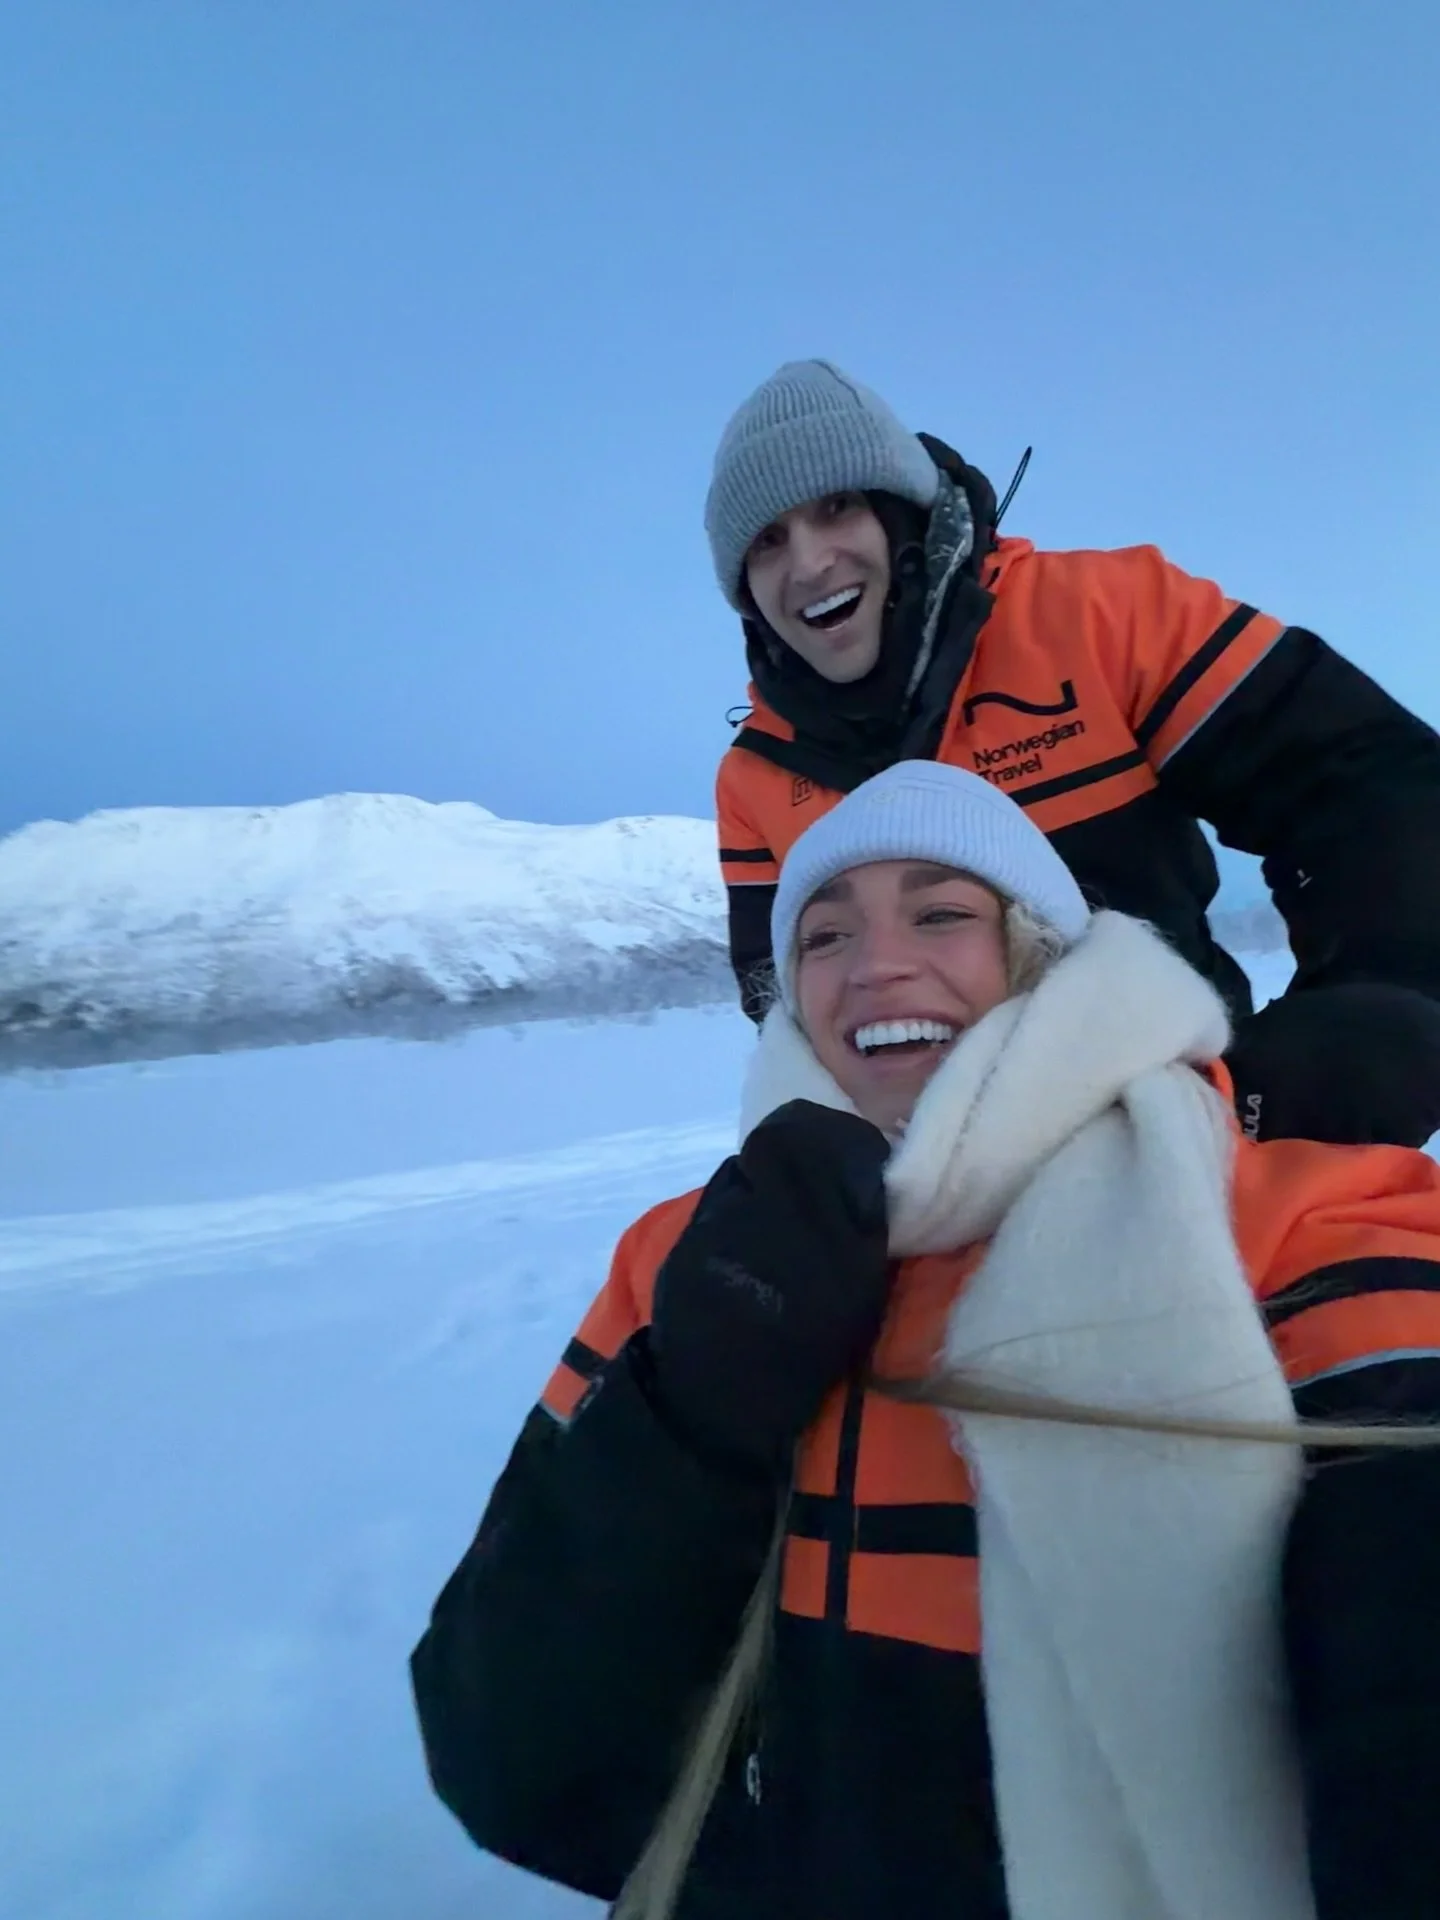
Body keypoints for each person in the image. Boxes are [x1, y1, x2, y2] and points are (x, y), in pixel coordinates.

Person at [411, 760, 1440, 1920]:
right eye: (823, 936)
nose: (875, 965)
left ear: (1042, 955)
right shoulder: (681, 1259)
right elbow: (506, 1758)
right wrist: (691, 1406)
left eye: (943, 912)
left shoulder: (1299, 1218)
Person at [706, 359, 1440, 1148]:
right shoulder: (757, 774)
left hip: (1185, 1128)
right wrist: (812, 1162)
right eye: (768, 541)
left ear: (902, 513)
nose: (810, 562)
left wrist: (1376, 1001)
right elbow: (782, 998)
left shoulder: (1100, 619)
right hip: (931, 1176)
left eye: (838, 506)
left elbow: (1366, 783)